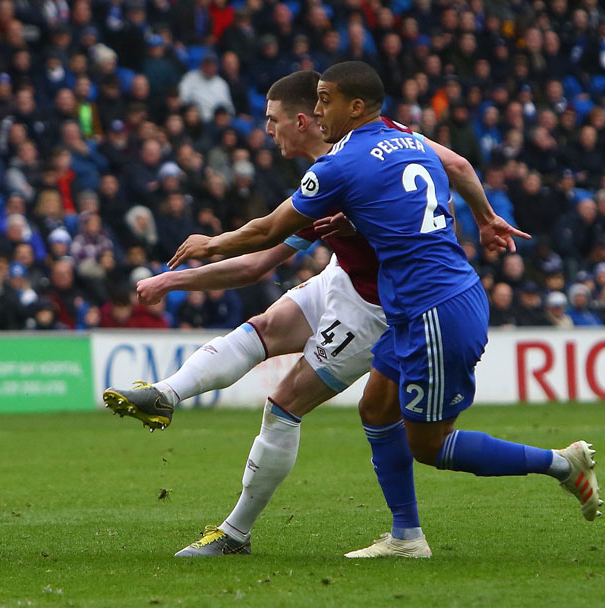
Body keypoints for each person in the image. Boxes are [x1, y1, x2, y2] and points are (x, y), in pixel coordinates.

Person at [167, 62, 600, 552]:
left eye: (325, 99)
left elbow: (267, 232)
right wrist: (485, 218)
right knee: (375, 409)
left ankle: (561, 464)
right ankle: (405, 536)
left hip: (434, 310)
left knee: (430, 447)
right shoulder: (408, 138)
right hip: (419, 306)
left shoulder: (340, 165)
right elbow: (458, 165)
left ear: (355, 107)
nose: (316, 107)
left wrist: (211, 243)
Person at [106, 70, 496, 558]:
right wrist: (171, 280)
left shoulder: (342, 169)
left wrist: (211, 245)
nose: (267, 131)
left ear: (304, 119)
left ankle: (235, 533)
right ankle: (166, 393)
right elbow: (262, 263)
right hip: (343, 278)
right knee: (265, 329)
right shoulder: (383, 144)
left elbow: (261, 244)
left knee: (285, 403)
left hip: (375, 309)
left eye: (273, 120)